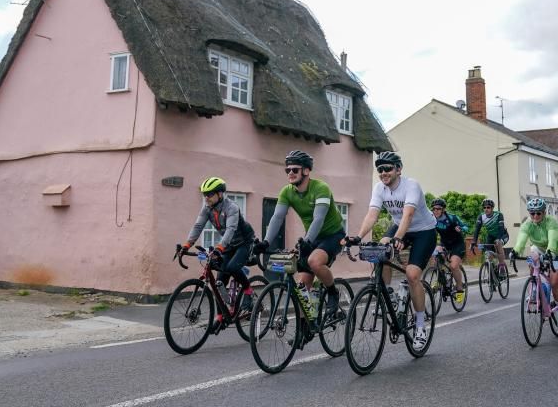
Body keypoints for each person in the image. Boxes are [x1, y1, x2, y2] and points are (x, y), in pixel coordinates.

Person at [345, 151, 437, 350]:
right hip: (400, 227)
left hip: (423, 231)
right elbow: (372, 215)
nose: (383, 172)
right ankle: (388, 293)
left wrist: (398, 238)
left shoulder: (411, 185)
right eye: (379, 169)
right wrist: (358, 237)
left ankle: (420, 326)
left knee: (413, 275)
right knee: (380, 249)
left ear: (398, 169)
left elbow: (409, 214)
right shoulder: (380, 188)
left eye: (387, 168)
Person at [263, 150, 345, 325]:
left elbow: (319, 218)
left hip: (333, 235)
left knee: (314, 262)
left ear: (306, 171)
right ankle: (305, 327)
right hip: (313, 237)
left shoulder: (321, 188)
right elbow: (277, 217)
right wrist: (265, 242)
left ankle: (332, 292)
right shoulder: (287, 192)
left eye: (295, 169)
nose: (290, 173)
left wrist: (307, 242)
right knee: (302, 288)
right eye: (288, 170)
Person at [182, 177, 257, 334]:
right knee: (219, 282)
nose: (206, 198)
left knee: (232, 267)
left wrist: (219, 248)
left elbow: (230, 229)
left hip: (244, 242)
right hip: (229, 245)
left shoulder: (232, 207)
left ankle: (249, 291)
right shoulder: (207, 208)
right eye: (204, 195)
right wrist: (186, 245)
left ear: (220, 194)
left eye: (209, 194)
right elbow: (198, 226)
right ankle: (220, 317)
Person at [513, 198, 558, 328]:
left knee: (554, 282)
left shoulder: (551, 222)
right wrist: (515, 251)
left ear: (544, 213)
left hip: (556, 251)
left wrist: (550, 252)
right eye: (532, 213)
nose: (535, 216)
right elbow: (521, 239)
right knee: (532, 257)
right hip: (538, 249)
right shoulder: (527, 224)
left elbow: (553, 238)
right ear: (529, 214)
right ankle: (534, 287)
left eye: (539, 213)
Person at [431, 198, 470, 304]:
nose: (436, 211)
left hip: (457, 244)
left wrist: (461, 229)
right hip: (444, 243)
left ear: (443, 209)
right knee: (436, 255)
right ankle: (441, 279)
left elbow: (466, 227)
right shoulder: (431, 218)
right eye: (434, 209)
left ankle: (460, 288)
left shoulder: (452, 218)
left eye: (438, 209)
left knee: (453, 266)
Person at [470, 199, 509, 275]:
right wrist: (474, 241)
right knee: (488, 254)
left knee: (498, 244)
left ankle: (501, 265)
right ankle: (492, 273)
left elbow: (501, 228)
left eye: (488, 207)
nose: (486, 209)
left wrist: (498, 239)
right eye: (484, 208)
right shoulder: (481, 216)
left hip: (502, 235)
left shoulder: (498, 215)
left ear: (492, 208)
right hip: (491, 236)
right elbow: (477, 229)